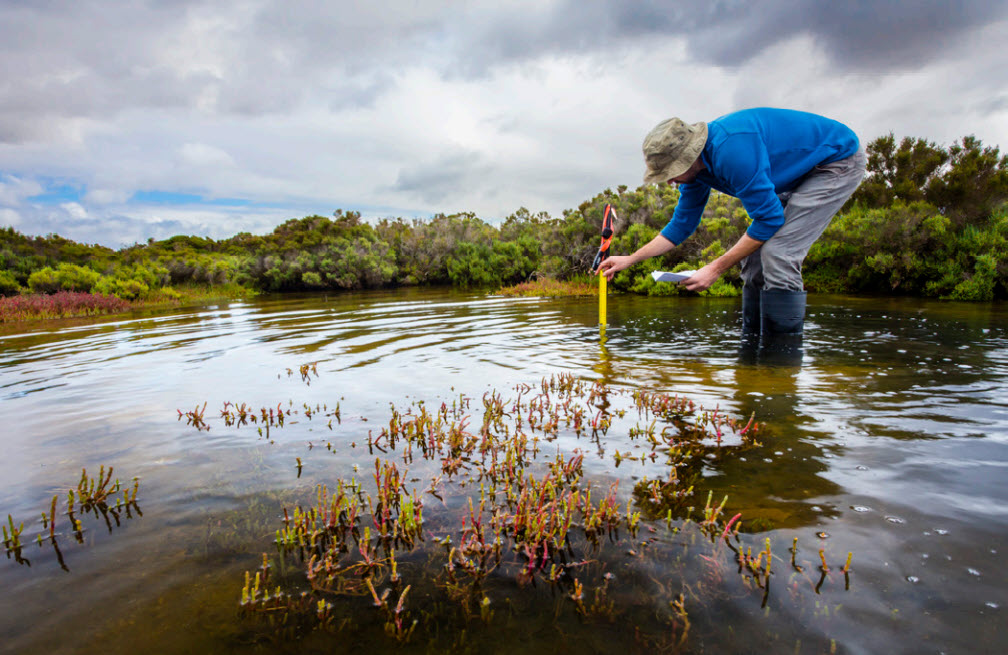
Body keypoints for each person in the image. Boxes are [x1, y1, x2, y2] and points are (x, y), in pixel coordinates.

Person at [597, 107, 866, 342]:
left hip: (835, 161)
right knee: (754, 259)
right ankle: (752, 346)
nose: (670, 181)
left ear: (689, 158)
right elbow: (681, 224)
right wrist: (631, 259)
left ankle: (781, 356)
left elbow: (769, 219)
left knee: (779, 253)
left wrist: (714, 269)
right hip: (796, 173)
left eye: (671, 172)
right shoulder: (696, 174)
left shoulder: (733, 151)